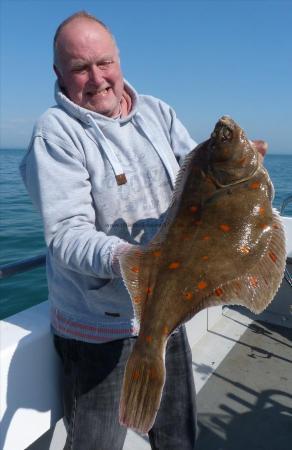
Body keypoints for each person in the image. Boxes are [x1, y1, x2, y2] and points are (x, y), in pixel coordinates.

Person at [20, 11, 198, 450]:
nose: (97, 78)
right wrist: (131, 260)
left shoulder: (158, 112)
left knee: (178, 439)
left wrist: (229, 165)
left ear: (119, 60)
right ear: (59, 72)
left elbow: (197, 177)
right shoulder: (56, 132)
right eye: (80, 68)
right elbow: (65, 233)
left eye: (104, 63)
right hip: (97, 331)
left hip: (167, 312)